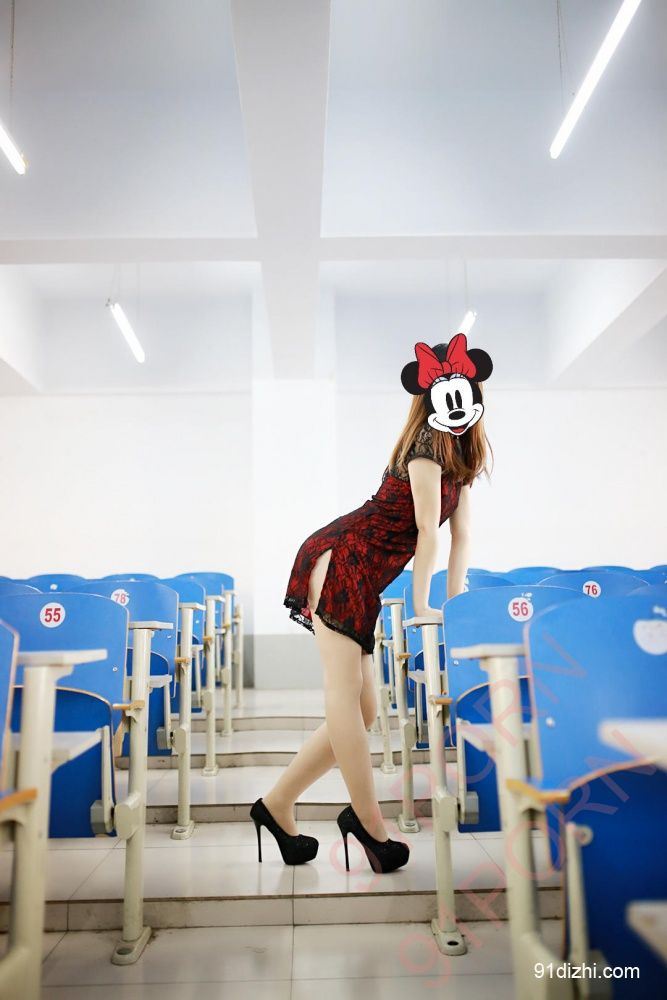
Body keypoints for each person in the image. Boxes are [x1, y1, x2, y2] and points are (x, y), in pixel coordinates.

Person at [251, 339, 492, 874]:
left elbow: (462, 536)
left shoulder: (459, 458)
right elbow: (427, 531)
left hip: (365, 576)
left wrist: (454, 605)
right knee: (344, 695)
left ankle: (276, 805)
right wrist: (422, 603)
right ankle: (370, 825)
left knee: (363, 711)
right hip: (342, 558)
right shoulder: (425, 448)